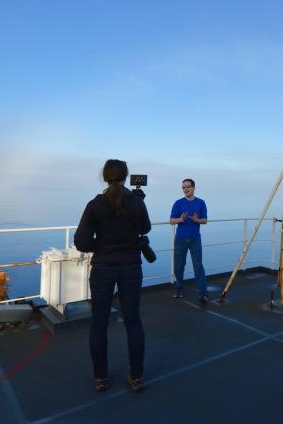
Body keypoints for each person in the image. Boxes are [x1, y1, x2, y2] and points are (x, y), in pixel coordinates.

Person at [74, 159, 151, 393]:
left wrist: (103, 244)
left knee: (99, 323)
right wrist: (138, 202)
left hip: (103, 269)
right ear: (126, 177)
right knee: (133, 321)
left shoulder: (95, 205)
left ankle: (100, 378)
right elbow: (145, 228)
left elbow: (81, 242)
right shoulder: (136, 203)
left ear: (105, 177)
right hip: (130, 268)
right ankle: (136, 377)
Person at [170, 178, 209, 304]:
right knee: (179, 265)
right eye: (183, 187)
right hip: (180, 238)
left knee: (198, 265)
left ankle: (203, 292)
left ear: (193, 187)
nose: (185, 189)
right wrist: (179, 220)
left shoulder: (201, 203)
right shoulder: (178, 203)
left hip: (195, 238)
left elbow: (204, 220)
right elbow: (171, 220)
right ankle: (179, 288)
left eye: (188, 186)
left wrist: (197, 220)